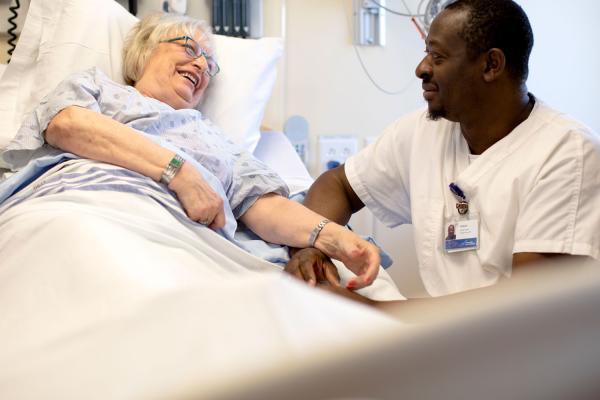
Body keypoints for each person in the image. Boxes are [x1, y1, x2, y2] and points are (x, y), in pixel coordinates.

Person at [0, 13, 380, 290]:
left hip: (178, 236)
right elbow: (67, 125)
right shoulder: (97, 87)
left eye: (209, 64)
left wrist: (333, 237)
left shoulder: (215, 137)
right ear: (145, 53)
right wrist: (179, 173)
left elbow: (262, 207)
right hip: (79, 208)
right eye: (189, 48)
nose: (201, 64)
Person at [285, 0, 600, 301]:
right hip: (451, 340)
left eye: (437, 56)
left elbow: (525, 308)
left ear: (492, 65)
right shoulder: (424, 131)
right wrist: (314, 245)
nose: (421, 69)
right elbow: (338, 184)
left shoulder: (568, 154)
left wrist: (362, 306)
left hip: (530, 351)